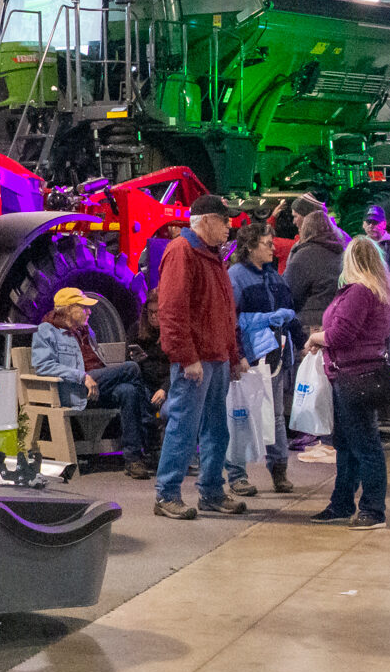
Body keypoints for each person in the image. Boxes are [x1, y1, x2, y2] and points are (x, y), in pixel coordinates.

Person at [152, 194, 249, 520]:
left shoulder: (210, 255)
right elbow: (172, 311)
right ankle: (166, 494)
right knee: (183, 426)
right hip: (197, 361)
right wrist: (186, 357)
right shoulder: (183, 252)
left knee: (215, 430)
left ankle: (211, 492)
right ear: (205, 220)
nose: (229, 226)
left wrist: (233, 356)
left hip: (216, 358)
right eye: (224, 220)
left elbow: (224, 311)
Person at [305, 236, 390, 530]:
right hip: (359, 373)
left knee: (365, 445)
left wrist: (315, 338)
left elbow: (339, 336)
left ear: (351, 261)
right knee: (347, 445)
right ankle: (342, 503)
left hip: (354, 376)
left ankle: (373, 509)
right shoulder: (377, 290)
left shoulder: (359, 292)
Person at [30, 286, 154, 478]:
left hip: (96, 386)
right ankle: (149, 431)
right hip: (76, 388)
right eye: (84, 307)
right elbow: (43, 366)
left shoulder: (86, 331)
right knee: (132, 368)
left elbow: (98, 362)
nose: (89, 311)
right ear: (69, 309)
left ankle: (133, 459)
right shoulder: (47, 331)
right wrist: (82, 376)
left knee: (129, 391)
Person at [225, 223, 302, 497]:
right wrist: (239, 356)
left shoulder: (274, 276)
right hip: (250, 358)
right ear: (249, 247)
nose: (272, 247)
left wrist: (302, 343)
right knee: (241, 416)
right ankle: (237, 475)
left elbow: (289, 311)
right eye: (267, 243)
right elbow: (230, 320)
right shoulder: (235, 277)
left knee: (275, 415)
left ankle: (279, 469)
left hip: (277, 356)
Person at [287, 209, 347, 330]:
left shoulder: (303, 255)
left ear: (306, 229)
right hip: (337, 320)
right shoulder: (342, 252)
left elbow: (291, 294)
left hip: (309, 325)